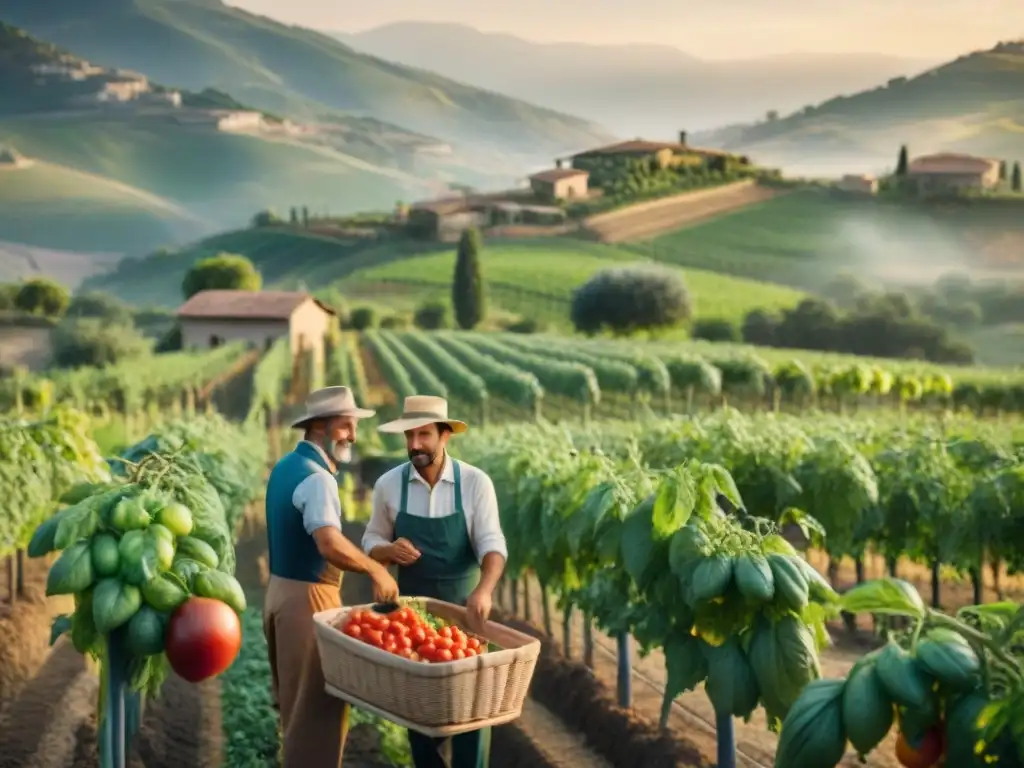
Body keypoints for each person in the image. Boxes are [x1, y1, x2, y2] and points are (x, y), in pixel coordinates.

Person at [363, 395, 506, 768]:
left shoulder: (475, 483)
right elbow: (370, 541)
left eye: (424, 435)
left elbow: (493, 545)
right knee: (420, 710)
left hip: (465, 616)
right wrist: (388, 550)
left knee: (472, 708)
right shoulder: (388, 485)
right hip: (414, 618)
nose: (414, 445)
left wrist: (484, 591)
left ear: (445, 436)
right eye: (409, 436)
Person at [264, 386, 400, 768]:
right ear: (320, 427)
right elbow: (328, 542)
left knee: (295, 708)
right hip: (308, 599)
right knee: (318, 715)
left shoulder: (285, 467)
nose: (353, 436)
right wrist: (374, 568)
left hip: (279, 593)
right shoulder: (317, 478)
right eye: (346, 426)